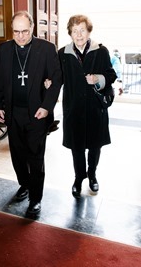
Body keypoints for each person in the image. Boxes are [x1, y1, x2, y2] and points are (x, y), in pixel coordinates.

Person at [0, 10, 62, 216]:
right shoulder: (4, 50)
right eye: (16, 32)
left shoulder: (47, 49)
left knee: (35, 156)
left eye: (24, 31)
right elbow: (0, 81)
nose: (21, 36)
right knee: (17, 154)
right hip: (14, 112)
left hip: (37, 114)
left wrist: (46, 106)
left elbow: (56, 79)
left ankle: (35, 199)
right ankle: (24, 185)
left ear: (32, 28)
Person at [58, 14, 117, 198]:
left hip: (94, 109)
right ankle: (78, 178)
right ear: (70, 33)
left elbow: (111, 75)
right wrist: (48, 83)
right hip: (73, 109)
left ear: (89, 31)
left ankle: (92, 175)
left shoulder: (101, 51)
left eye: (82, 30)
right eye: (75, 31)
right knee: (76, 147)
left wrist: (98, 79)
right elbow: (57, 77)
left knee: (94, 146)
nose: (79, 35)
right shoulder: (63, 54)